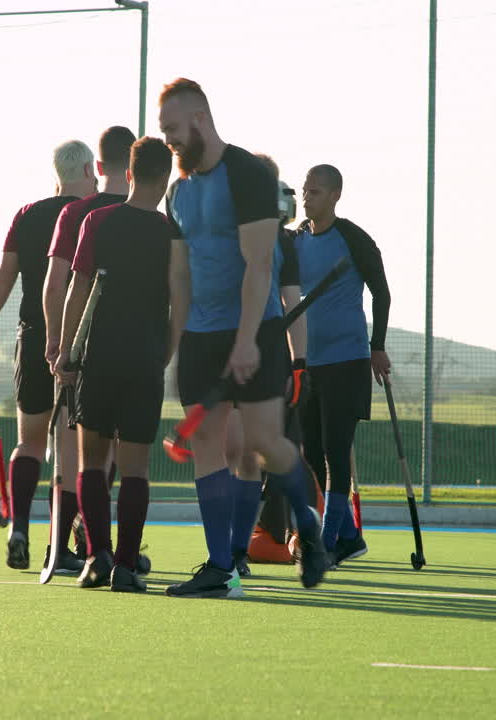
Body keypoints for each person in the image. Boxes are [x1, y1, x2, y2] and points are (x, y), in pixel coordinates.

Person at [158, 78, 328, 599]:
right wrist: (174, 346)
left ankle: (310, 530)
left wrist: (249, 339)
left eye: (172, 128)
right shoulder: (177, 190)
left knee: (263, 442)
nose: (168, 139)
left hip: (254, 329)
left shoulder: (248, 176)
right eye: (162, 131)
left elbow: (259, 266)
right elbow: (181, 277)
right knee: (208, 442)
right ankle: (219, 567)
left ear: (200, 119)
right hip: (201, 336)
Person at [55, 136, 178, 593]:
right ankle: (125, 566)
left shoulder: (97, 221)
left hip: (98, 359)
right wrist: (163, 355)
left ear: (128, 174)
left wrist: (65, 353)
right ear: (165, 179)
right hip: (144, 361)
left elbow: (77, 289)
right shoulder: (171, 232)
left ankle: (95, 559)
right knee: (135, 469)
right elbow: (180, 302)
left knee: (91, 465)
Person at [0, 139, 97, 571]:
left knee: (30, 441)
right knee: (71, 451)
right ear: (84, 171)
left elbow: (4, 276)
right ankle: (62, 546)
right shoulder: (93, 216)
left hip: (30, 336)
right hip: (74, 344)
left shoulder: (27, 214)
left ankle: (19, 525)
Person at [41, 126, 137, 567]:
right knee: (119, 452)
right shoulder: (152, 215)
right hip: (135, 348)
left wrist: (56, 342)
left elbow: (55, 283)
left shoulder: (75, 213)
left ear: (97, 167)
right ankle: (103, 546)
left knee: (78, 450)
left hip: (84, 350)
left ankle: (68, 545)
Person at [293, 163, 391, 565]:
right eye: (305, 190)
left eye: (315, 191)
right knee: (313, 452)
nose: (306, 197)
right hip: (309, 364)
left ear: (335, 195)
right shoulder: (296, 240)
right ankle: (350, 536)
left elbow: (381, 293)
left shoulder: (353, 239)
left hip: (348, 361)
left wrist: (377, 346)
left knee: (336, 451)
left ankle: (329, 543)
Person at [225, 151, 310, 578]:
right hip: (258, 350)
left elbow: (292, 301)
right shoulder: (281, 239)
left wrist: (299, 364)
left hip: (239, 347)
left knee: (237, 453)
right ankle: (235, 550)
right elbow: (292, 303)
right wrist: (299, 364)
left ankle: (233, 551)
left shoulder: (238, 234)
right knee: (244, 455)